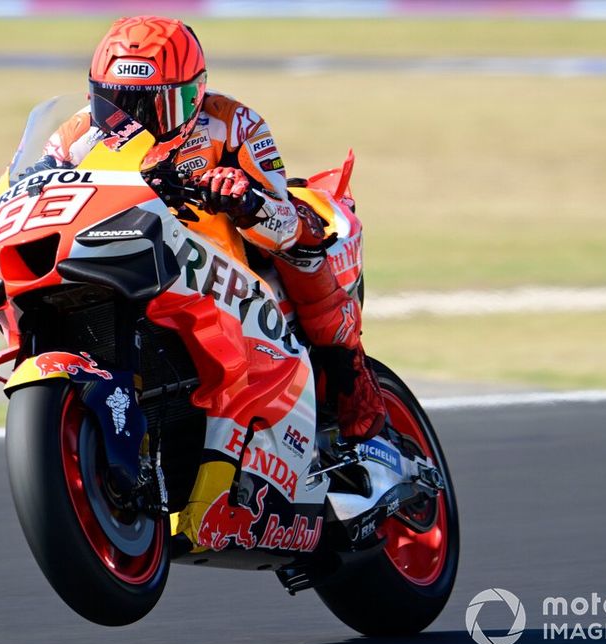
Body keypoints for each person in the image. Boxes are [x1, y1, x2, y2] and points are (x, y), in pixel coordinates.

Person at [40, 15, 385, 443]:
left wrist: (247, 201)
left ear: (194, 94)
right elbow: (37, 191)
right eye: (117, 103)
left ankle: (349, 371)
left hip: (228, 274)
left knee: (303, 240)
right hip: (126, 258)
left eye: (154, 106)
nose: (135, 119)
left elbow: (285, 220)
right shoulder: (75, 136)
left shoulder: (233, 122)